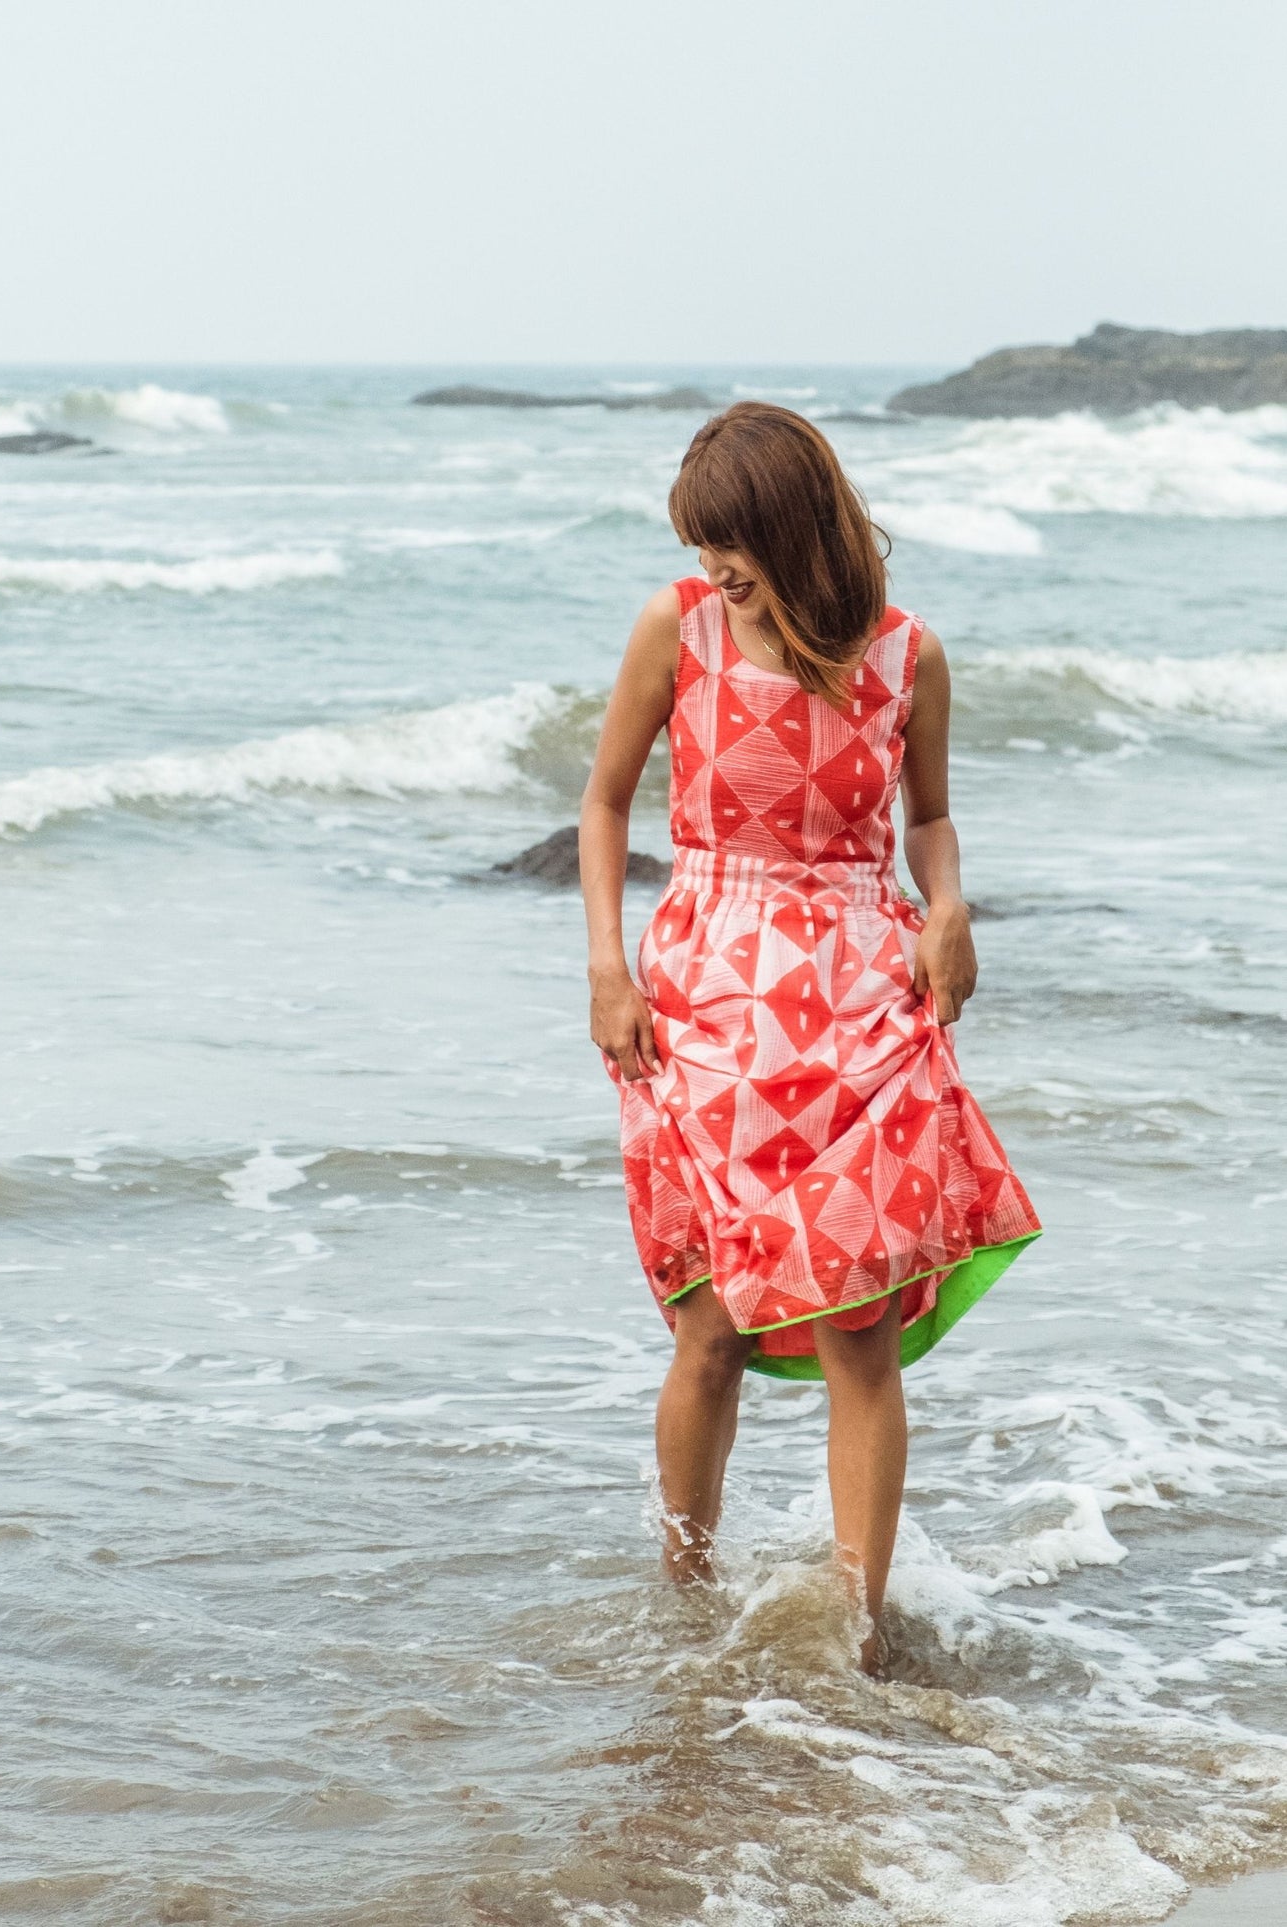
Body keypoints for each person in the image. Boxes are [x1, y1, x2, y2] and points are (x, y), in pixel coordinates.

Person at [579, 402, 1040, 1672]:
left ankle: (856, 1626)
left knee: (860, 1329)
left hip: (860, 1002)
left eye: (736, 549)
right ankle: (681, 1589)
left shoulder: (906, 658)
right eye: (704, 550)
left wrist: (947, 908)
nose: (718, 572)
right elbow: (607, 799)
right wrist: (605, 967)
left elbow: (930, 819)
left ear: (792, 531)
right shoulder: (675, 630)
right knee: (713, 1324)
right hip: (706, 1001)